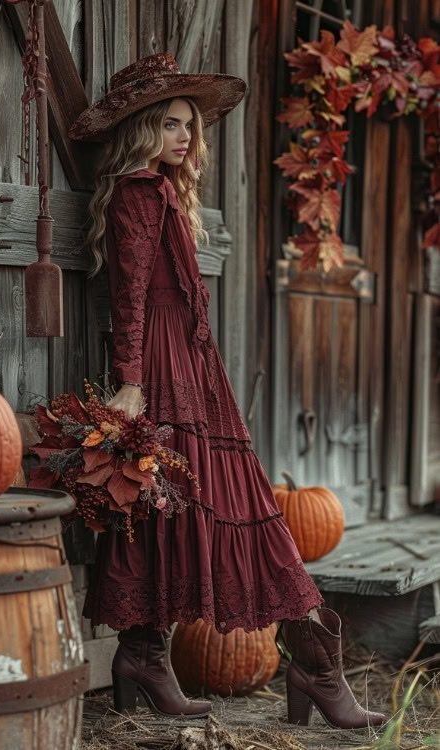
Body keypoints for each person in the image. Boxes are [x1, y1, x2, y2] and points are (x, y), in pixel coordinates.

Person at [69, 53, 385, 730]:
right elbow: (127, 298)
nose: (186, 135)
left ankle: (155, 658)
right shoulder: (136, 192)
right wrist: (130, 383)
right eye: (171, 123)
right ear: (145, 129)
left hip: (191, 368)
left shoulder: (160, 192)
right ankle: (172, 659)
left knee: (189, 510)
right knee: (182, 509)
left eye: (190, 124)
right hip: (159, 369)